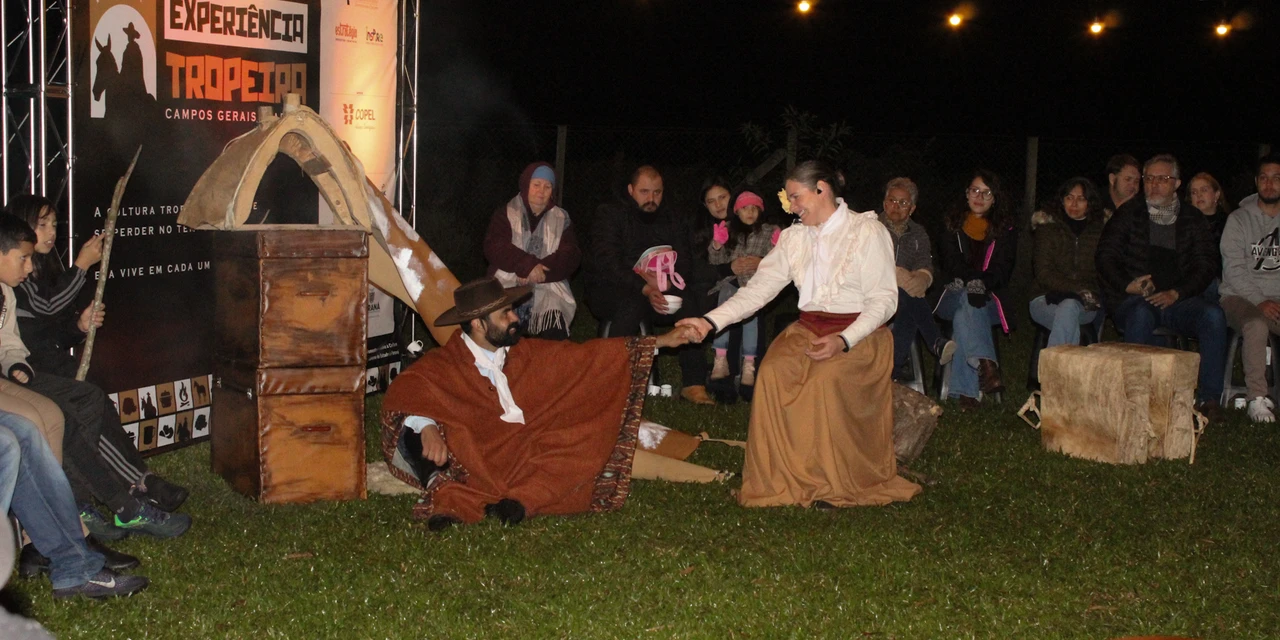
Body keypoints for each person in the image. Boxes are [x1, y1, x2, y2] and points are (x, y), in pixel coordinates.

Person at [678, 160, 921, 509]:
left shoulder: (866, 232)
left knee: (826, 378)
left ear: (821, 189)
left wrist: (844, 340)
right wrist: (709, 322)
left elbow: (885, 300)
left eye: (796, 197)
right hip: (808, 329)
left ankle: (834, 483)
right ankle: (783, 476)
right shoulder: (793, 238)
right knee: (774, 374)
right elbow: (756, 291)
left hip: (861, 335)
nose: (791, 207)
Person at [381, 277, 698, 530]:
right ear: (477, 324)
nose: (515, 317)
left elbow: (589, 357)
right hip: (481, 451)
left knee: (584, 438)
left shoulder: (526, 354)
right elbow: (409, 389)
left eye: (512, 309)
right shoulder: (445, 363)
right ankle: (453, 497)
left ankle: (520, 501)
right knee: (448, 435)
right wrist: (426, 425)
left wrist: (662, 341)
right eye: (505, 314)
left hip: (531, 449)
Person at [0, 211, 191, 540]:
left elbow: (19, 339)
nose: (50, 233)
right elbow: (44, 310)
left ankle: (99, 501)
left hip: (27, 371)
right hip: (32, 372)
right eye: (41, 226)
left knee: (86, 401)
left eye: (55, 225)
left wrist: (76, 327)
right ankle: (99, 503)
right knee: (64, 417)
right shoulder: (20, 282)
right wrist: (83, 266)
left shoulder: (21, 281)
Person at [1095, 154, 1226, 416]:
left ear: (1177, 183)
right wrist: (1128, 285)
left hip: (1178, 300)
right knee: (1140, 314)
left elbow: (1206, 263)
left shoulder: (1192, 218)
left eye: (1163, 179)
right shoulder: (1129, 214)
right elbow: (1105, 256)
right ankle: (1137, 398)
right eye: (1149, 179)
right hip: (1137, 299)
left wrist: (1179, 292)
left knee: (1213, 315)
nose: (1154, 185)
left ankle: (1209, 399)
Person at [586, 165, 714, 405]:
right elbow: (607, 262)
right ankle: (610, 382)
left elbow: (685, 261)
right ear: (631, 190)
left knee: (689, 303)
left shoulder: (671, 218)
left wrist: (665, 283)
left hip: (660, 287)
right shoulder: (611, 214)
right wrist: (644, 286)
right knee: (630, 304)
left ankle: (694, 383)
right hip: (612, 288)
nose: (651, 199)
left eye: (657, 192)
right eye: (644, 192)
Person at [934, 170, 1017, 407]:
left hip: (989, 300)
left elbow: (1002, 269)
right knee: (967, 300)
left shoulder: (1005, 230)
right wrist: (972, 282)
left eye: (986, 192)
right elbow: (952, 263)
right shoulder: (952, 225)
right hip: (953, 294)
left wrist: (982, 284)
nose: (979, 197)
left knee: (968, 310)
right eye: (974, 190)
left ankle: (967, 389)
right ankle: (986, 365)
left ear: (995, 198)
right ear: (966, 194)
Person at [482, 162, 580, 340]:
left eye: (547, 186)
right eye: (536, 185)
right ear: (526, 185)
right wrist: (526, 265)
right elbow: (495, 246)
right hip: (509, 281)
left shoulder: (562, 218)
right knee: (503, 326)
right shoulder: (505, 213)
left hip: (548, 284)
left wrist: (538, 271)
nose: (541, 191)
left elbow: (571, 254)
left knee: (554, 326)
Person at [1217, 154, 1280, 422]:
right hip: (1238, 296)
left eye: (1276, 178)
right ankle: (1257, 399)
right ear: (1256, 182)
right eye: (1264, 178)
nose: (1269, 184)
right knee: (1256, 323)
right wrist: (1259, 301)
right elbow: (1234, 270)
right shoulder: (1238, 220)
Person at [878, 177, 953, 382]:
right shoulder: (871, 227)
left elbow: (925, 264)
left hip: (904, 295)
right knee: (908, 298)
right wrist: (894, 274)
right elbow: (862, 261)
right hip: (871, 290)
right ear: (885, 203)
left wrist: (923, 278)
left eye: (903, 203)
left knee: (907, 304)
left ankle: (889, 373)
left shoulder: (919, 233)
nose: (896, 206)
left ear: (911, 209)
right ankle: (935, 340)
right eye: (892, 200)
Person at [706, 191, 779, 395]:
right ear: (737, 211)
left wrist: (772, 252)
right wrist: (717, 245)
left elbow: (778, 262)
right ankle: (720, 358)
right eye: (745, 208)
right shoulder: (729, 229)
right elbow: (715, 261)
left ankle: (749, 363)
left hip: (753, 285)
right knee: (724, 305)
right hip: (731, 283)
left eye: (755, 208)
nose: (750, 212)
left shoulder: (767, 231)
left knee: (751, 316)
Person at [1029, 177, 1106, 347]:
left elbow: (1103, 270)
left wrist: (1086, 292)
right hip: (1044, 299)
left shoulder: (1099, 232)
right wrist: (1076, 289)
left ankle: (1054, 370)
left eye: (1081, 199)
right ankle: (1062, 371)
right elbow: (1043, 273)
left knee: (1069, 309)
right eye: (1069, 198)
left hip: (1085, 303)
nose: (1074, 204)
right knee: (1068, 311)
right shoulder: (1047, 228)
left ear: (1090, 203)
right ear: (1062, 200)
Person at [1188, 171, 1231, 301]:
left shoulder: (1231, 223)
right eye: (1194, 192)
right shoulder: (1184, 223)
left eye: (1204, 190)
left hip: (1220, 281)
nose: (1199, 195)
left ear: (1216, 195)